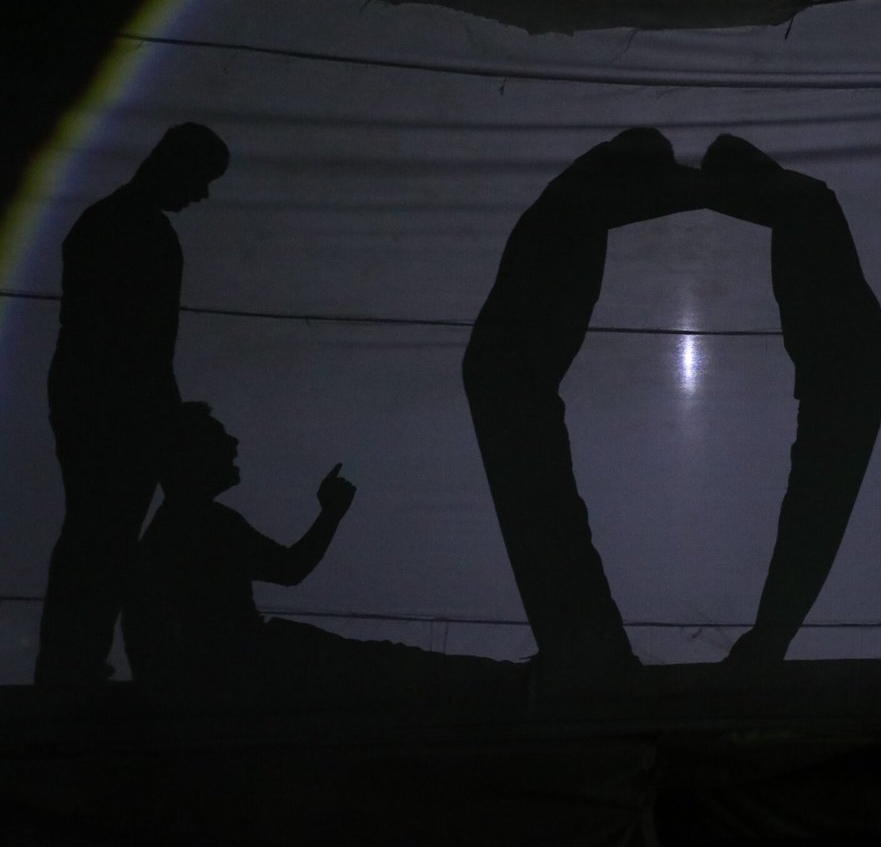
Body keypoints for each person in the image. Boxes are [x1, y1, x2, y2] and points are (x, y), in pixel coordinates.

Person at [463, 128, 706, 692]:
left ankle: (581, 647)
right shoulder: (579, 196)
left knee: (544, 511)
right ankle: (586, 652)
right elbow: (644, 199)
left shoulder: (575, 195)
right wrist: (716, 189)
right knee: (545, 512)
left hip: (515, 376)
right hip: (510, 377)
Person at [124, 403, 525, 710]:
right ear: (192, 455)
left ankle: (506, 680)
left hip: (244, 666)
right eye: (218, 439)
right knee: (391, 668)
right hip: (252, 668)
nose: (233, 444)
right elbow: (289, 569)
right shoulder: (202, 523)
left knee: (389, 664)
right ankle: (510, 683)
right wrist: (331, 513)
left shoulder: (180, 526)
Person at [35, 123, 229, 687]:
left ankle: (72, 661)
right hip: (114, 409)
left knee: (98, 532)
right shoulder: (136, 231)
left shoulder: (109, 223)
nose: (202, 195)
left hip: (94, 402)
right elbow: (138, 345)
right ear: (176, 166)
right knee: (103, 534)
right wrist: (163, 416)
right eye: (202, 179)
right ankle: (73, 664)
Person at [700, 135, 881, 667]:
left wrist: (693, 190)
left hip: (844, 377)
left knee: (815, 505)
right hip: (842, 376)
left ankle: (772, 636)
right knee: (815, 504)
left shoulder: (802, 199)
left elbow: (754, 200)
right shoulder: (801, 201)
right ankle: (773, 633)